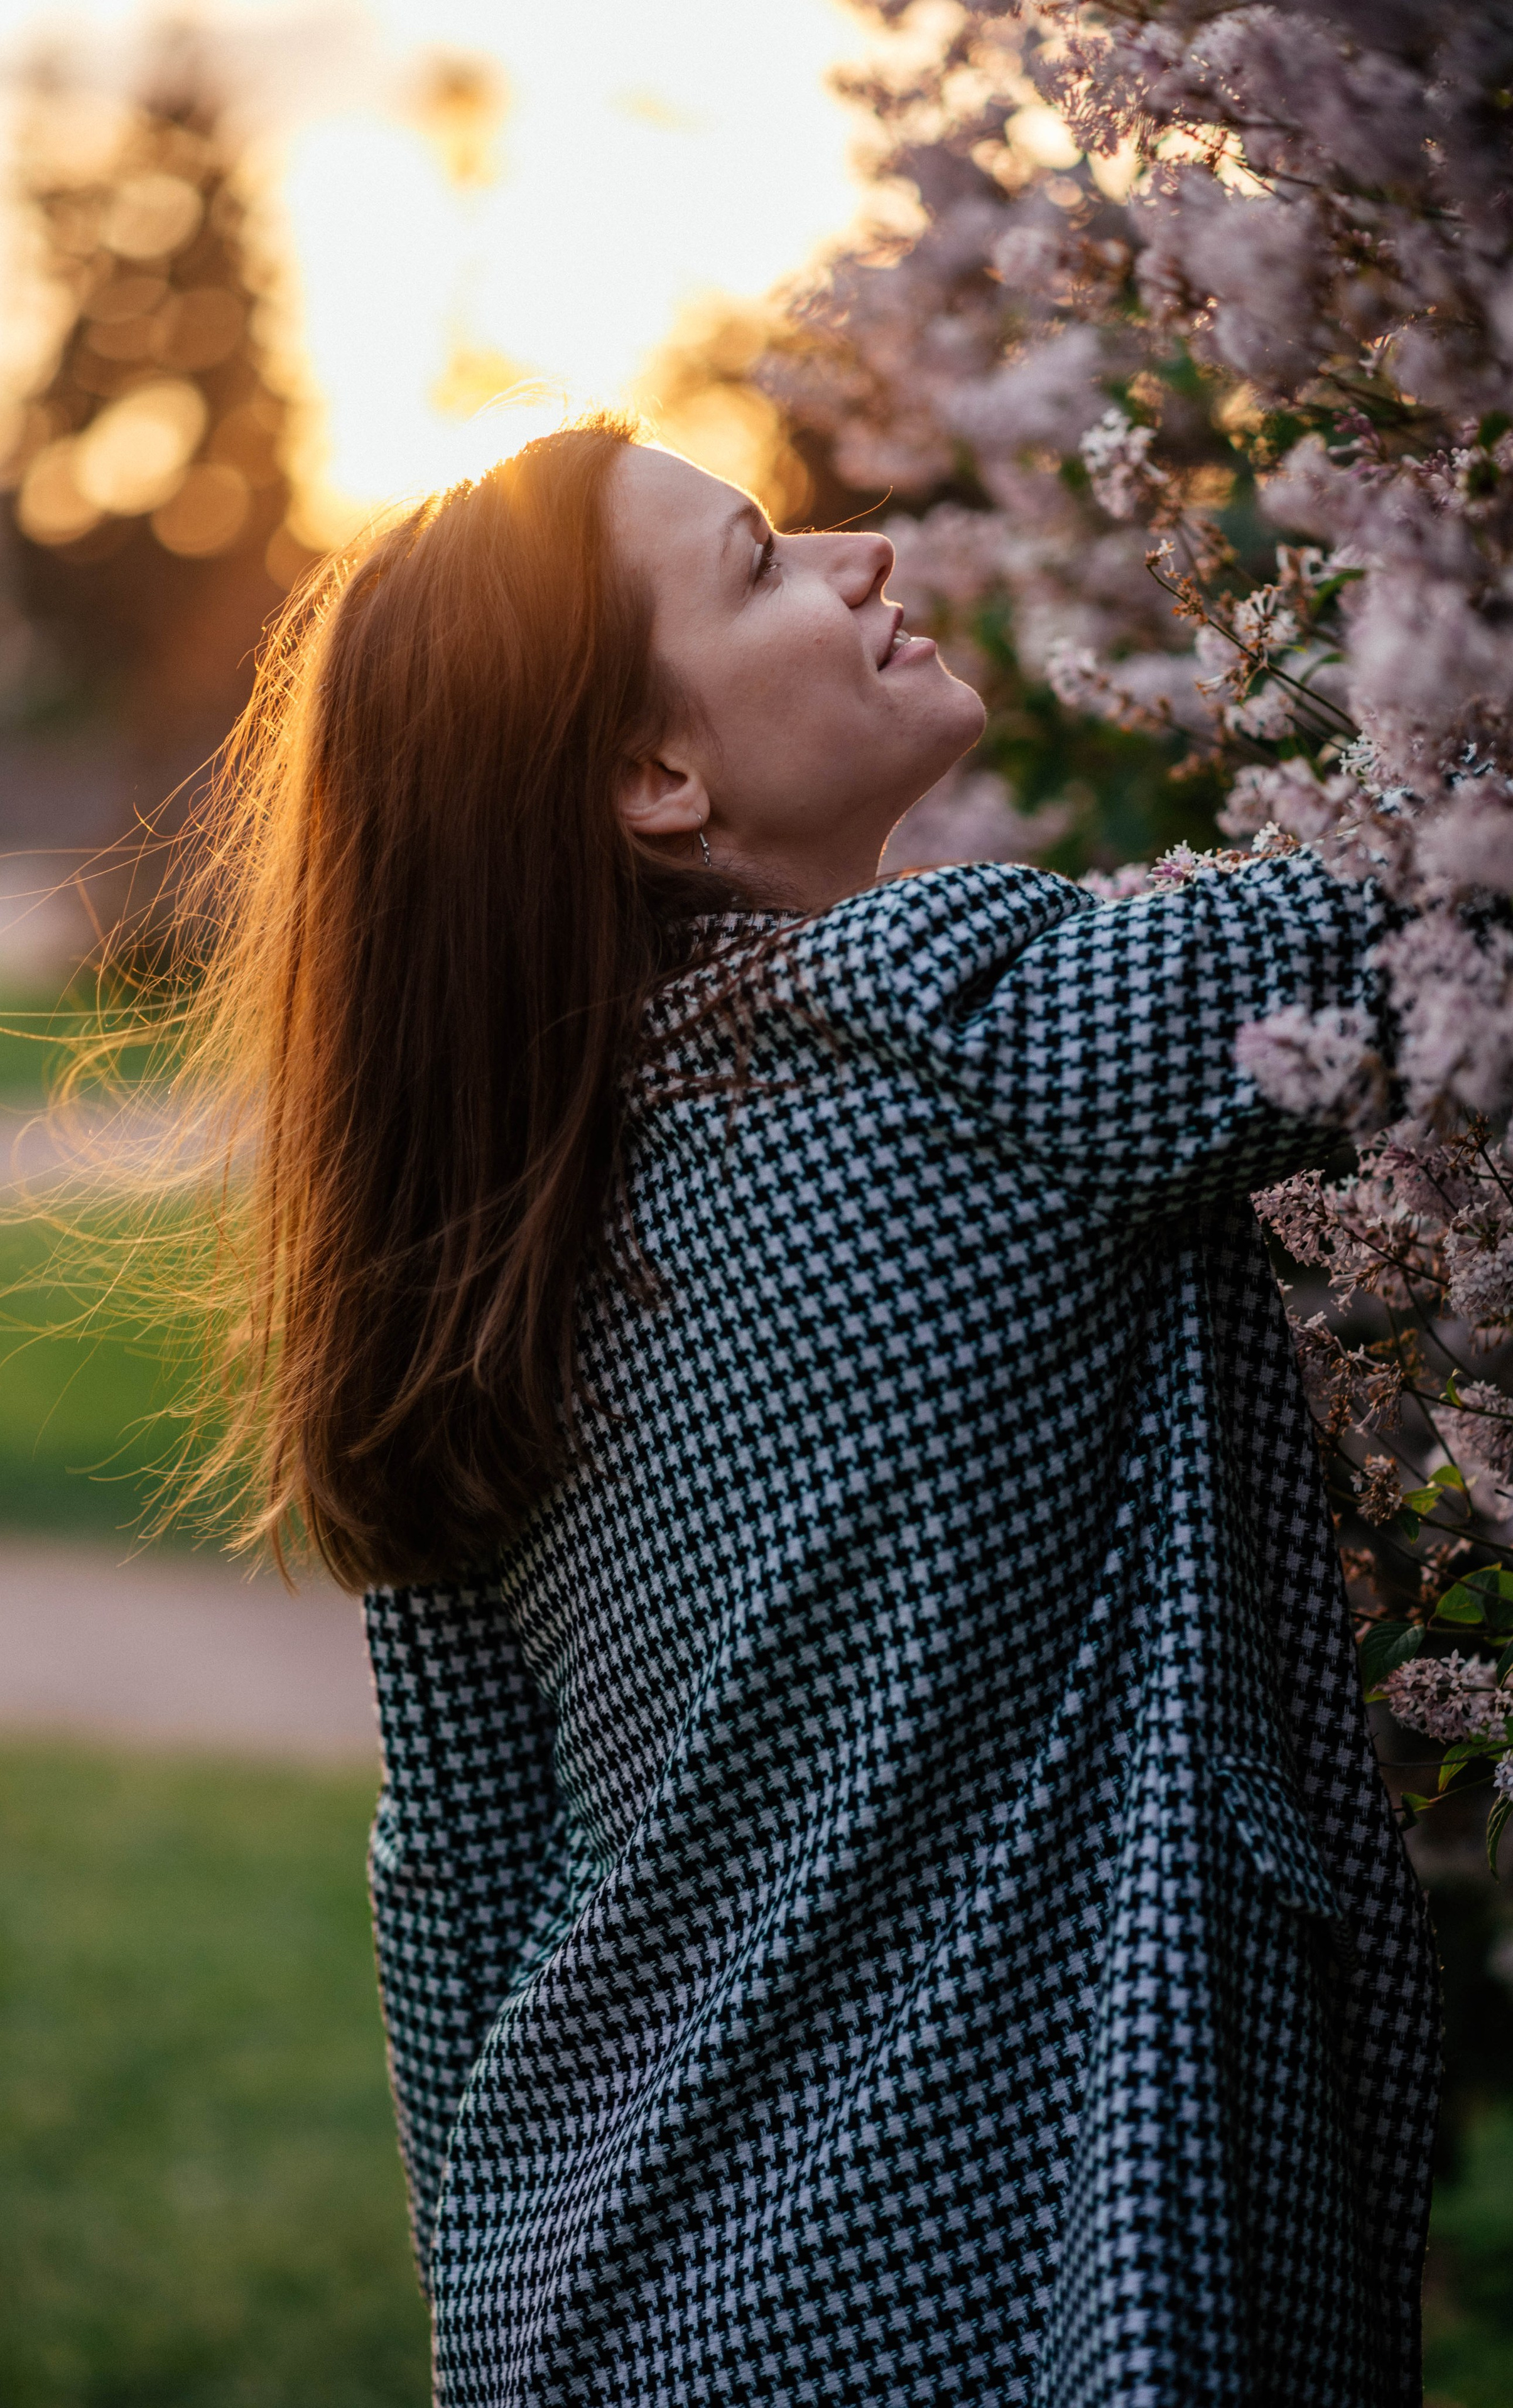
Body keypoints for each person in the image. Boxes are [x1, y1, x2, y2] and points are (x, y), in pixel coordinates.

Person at [171, 416, 1437, 2405]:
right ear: (655, 777)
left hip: (598, 2297)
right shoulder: (958, 1019)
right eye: (763, 561)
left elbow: (461, 1883)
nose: (859, 551)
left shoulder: (463, 1272)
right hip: (1033, 2296)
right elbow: (1435, 908)